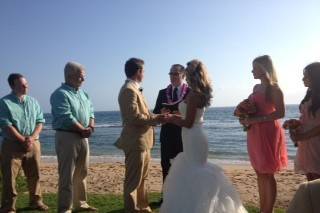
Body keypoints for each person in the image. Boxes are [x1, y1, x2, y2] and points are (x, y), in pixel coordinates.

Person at [160, 59, 247, 213]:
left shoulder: (194, 95)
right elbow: (190, 118)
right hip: (193, 135)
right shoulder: (198, 93)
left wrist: (171, 118)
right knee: (192, 172)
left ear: (192, 75)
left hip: (193, 136)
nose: (185, 75)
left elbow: (188, 123)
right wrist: (176, 116)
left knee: (195, 172)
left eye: (187, 72)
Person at [115, 57, 165, 213]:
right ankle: (131, 209)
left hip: (143, 141)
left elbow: (143, 114)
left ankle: (142, 206)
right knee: (133, 180)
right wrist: (156, 118)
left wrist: (157, 114)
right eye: (144, 71)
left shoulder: (135, 88)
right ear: (138, 72)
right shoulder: (129, 89)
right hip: (135, 141)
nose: (144, 74)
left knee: (143, 178)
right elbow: (133, 117)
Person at [239, 55, 288, 213]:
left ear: (263, 68)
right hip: (254, 133)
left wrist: (257, 119)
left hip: (268, 132)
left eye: (255, 67)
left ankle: (269, 210)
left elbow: (281, 113)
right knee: (259, 171)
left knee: (268, 172)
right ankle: (262, 209)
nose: (252, 70)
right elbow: (251, 106)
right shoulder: (255, 88)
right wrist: (244, 117)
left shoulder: (274, 89)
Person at [50, 62, 97, 213]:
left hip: (83, 137)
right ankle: (65, 208)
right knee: (67, 174)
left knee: (82, 172)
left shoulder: (84, 94)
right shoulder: (60, 94)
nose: (83, 80)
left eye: (84, 77)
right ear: (70, 76)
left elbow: (91, 111)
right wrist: (83, 129)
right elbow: (65, 117)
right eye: (81, 77)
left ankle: (81, 204)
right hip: (67, 136)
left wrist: (90, 126)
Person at [0, 73, 49, 212]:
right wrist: (23, 140)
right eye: (22, 84)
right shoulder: (4, 102)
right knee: (10, 177)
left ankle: (36, 201)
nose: (26, 86)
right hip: (12, 144)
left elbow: (40, 121)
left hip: (34, 143)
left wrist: (32, 138)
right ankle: (8, 207)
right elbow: (6, 125)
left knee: (35, 174)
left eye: (26, 84)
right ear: (13, 85)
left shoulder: (33, 101)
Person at [153, 64, 189, 184]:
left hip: (183, 135)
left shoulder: (190, 92)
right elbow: (155, 111)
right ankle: (166, 198)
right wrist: (161, 112)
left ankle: (182, 197)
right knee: (166, 166)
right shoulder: (162, 92)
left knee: (183, 167)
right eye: (170, 74)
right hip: (167, 135)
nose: (172, 76)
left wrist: (180, 114)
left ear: (183, 75)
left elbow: (194, 116)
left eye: (175, 74)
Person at [289, 62, 320, 181]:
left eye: (306, 76)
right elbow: (308, 119)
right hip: (307, 144)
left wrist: (302, 136)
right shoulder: (310, 95)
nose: (303, 79)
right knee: (311, 178)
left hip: (316, 143)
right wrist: (296, 124)